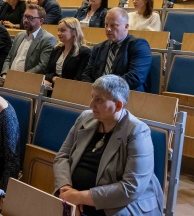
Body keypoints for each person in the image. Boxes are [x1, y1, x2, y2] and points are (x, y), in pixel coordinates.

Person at [54, 75, 164, 216]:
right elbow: (62, 156)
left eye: (98, 100)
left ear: (118, 105)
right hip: (73, 198)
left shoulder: (138, 132)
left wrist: (81, 197)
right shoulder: (85, 118)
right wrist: (66, 190)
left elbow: (131, 188)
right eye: (92, 97)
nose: (91, 104)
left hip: (116, 207)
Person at [82, 8, 151, 91]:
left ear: (126, 26)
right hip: (98, 94)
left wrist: (105, 88)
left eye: (113, 25)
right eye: (106, 25)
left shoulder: (139, 45)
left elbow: (136, 77)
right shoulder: (98, 48)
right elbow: (87, 74)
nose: (108, 29)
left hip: (126, 95)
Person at [1, 4, 57, 76]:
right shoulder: (19, 35)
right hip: (9, 77)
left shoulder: (47, 39)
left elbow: (42, 66)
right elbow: (9, 58)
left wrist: (22, 77)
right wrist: (4, 73)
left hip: (28, 80)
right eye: (25, 16)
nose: (26, 20)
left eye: (31, 18)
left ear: (41, 21)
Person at [43, 18, 91, 88]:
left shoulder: (84, 52)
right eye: (58, 30)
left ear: (74, 32)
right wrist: (53, 78)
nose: (58, 33)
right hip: (52, 87)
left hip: (71, 90)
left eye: (62, 30)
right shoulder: (57, 49)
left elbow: (79, 78)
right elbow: (47, 73)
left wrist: (61, 84)